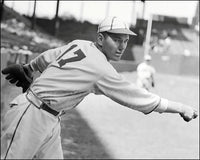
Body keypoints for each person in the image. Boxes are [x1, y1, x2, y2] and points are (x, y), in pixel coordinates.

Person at [1, 16, 198, 159]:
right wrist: (180, 107)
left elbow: (48, 57)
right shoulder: (101, 68)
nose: (121, 46)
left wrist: (29, 68)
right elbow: (138, 98)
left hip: (49, 117)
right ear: (101, 39)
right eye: (116, 40)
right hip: (32, 115)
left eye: (125, 41)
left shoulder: (80, 44)